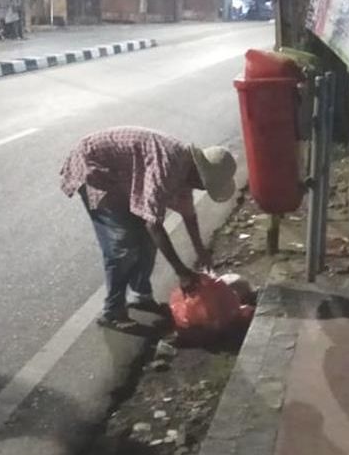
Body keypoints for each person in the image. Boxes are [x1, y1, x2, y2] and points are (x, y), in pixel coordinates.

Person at [60, 126, 237, 329]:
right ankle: (112, 312)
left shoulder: (187, 174)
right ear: (199, 173)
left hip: (121, 176)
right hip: (95, 166)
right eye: (205, 184)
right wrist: (181, 271)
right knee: (121, 246)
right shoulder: (169, 168)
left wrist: (201, 252)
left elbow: (189, 216)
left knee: (145, 241)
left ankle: (140, 295)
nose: (202, 188)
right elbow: (153, 224)